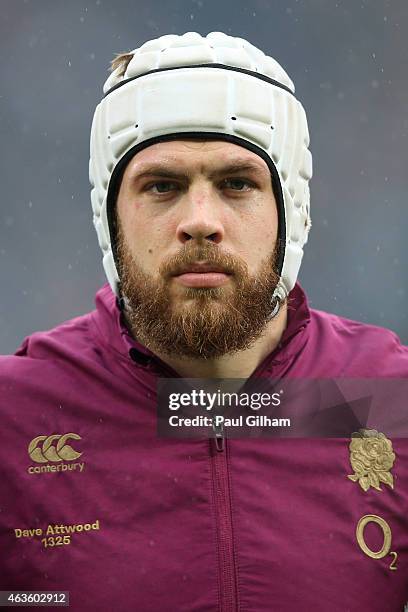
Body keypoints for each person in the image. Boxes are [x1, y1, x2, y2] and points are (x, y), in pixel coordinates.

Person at [1, 31, 407, 612]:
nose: (200, 221)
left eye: (237, 183)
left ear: (292, 211)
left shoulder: (389, 398)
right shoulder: (14, 417)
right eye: (162, 186)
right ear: (109, 219)